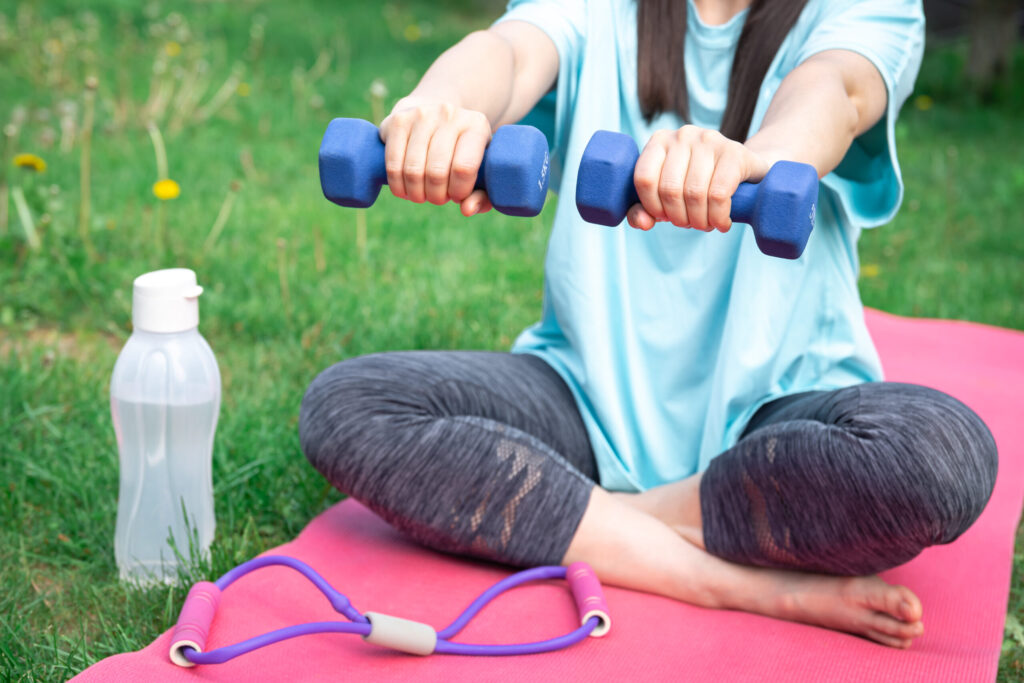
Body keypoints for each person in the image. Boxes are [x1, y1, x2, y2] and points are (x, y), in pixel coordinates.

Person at [299, 0, 998, 649]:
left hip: (779, 413)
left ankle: (597, 517)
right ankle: (722, 578)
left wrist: (759, 155)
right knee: (348, 406)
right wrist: (438, 107)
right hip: (584, 401)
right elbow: (508, 54)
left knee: (938, 457)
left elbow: (838, 92)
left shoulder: (867, 6)